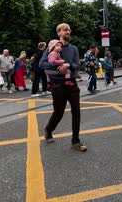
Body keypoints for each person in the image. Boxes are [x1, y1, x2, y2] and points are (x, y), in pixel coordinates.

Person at [40, 23, 87, 151]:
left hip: (72, 84)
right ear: (59, 33)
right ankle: (48, 129)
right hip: (58, 85)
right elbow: (42, 64)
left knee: (76, 112)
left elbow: (77, 65)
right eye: (65, 30)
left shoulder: (74, 49)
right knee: (58, 113)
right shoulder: (51, 48)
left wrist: (68, 66)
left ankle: (75, 141)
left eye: (69, 30)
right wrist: (57, 67)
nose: (68, 32)